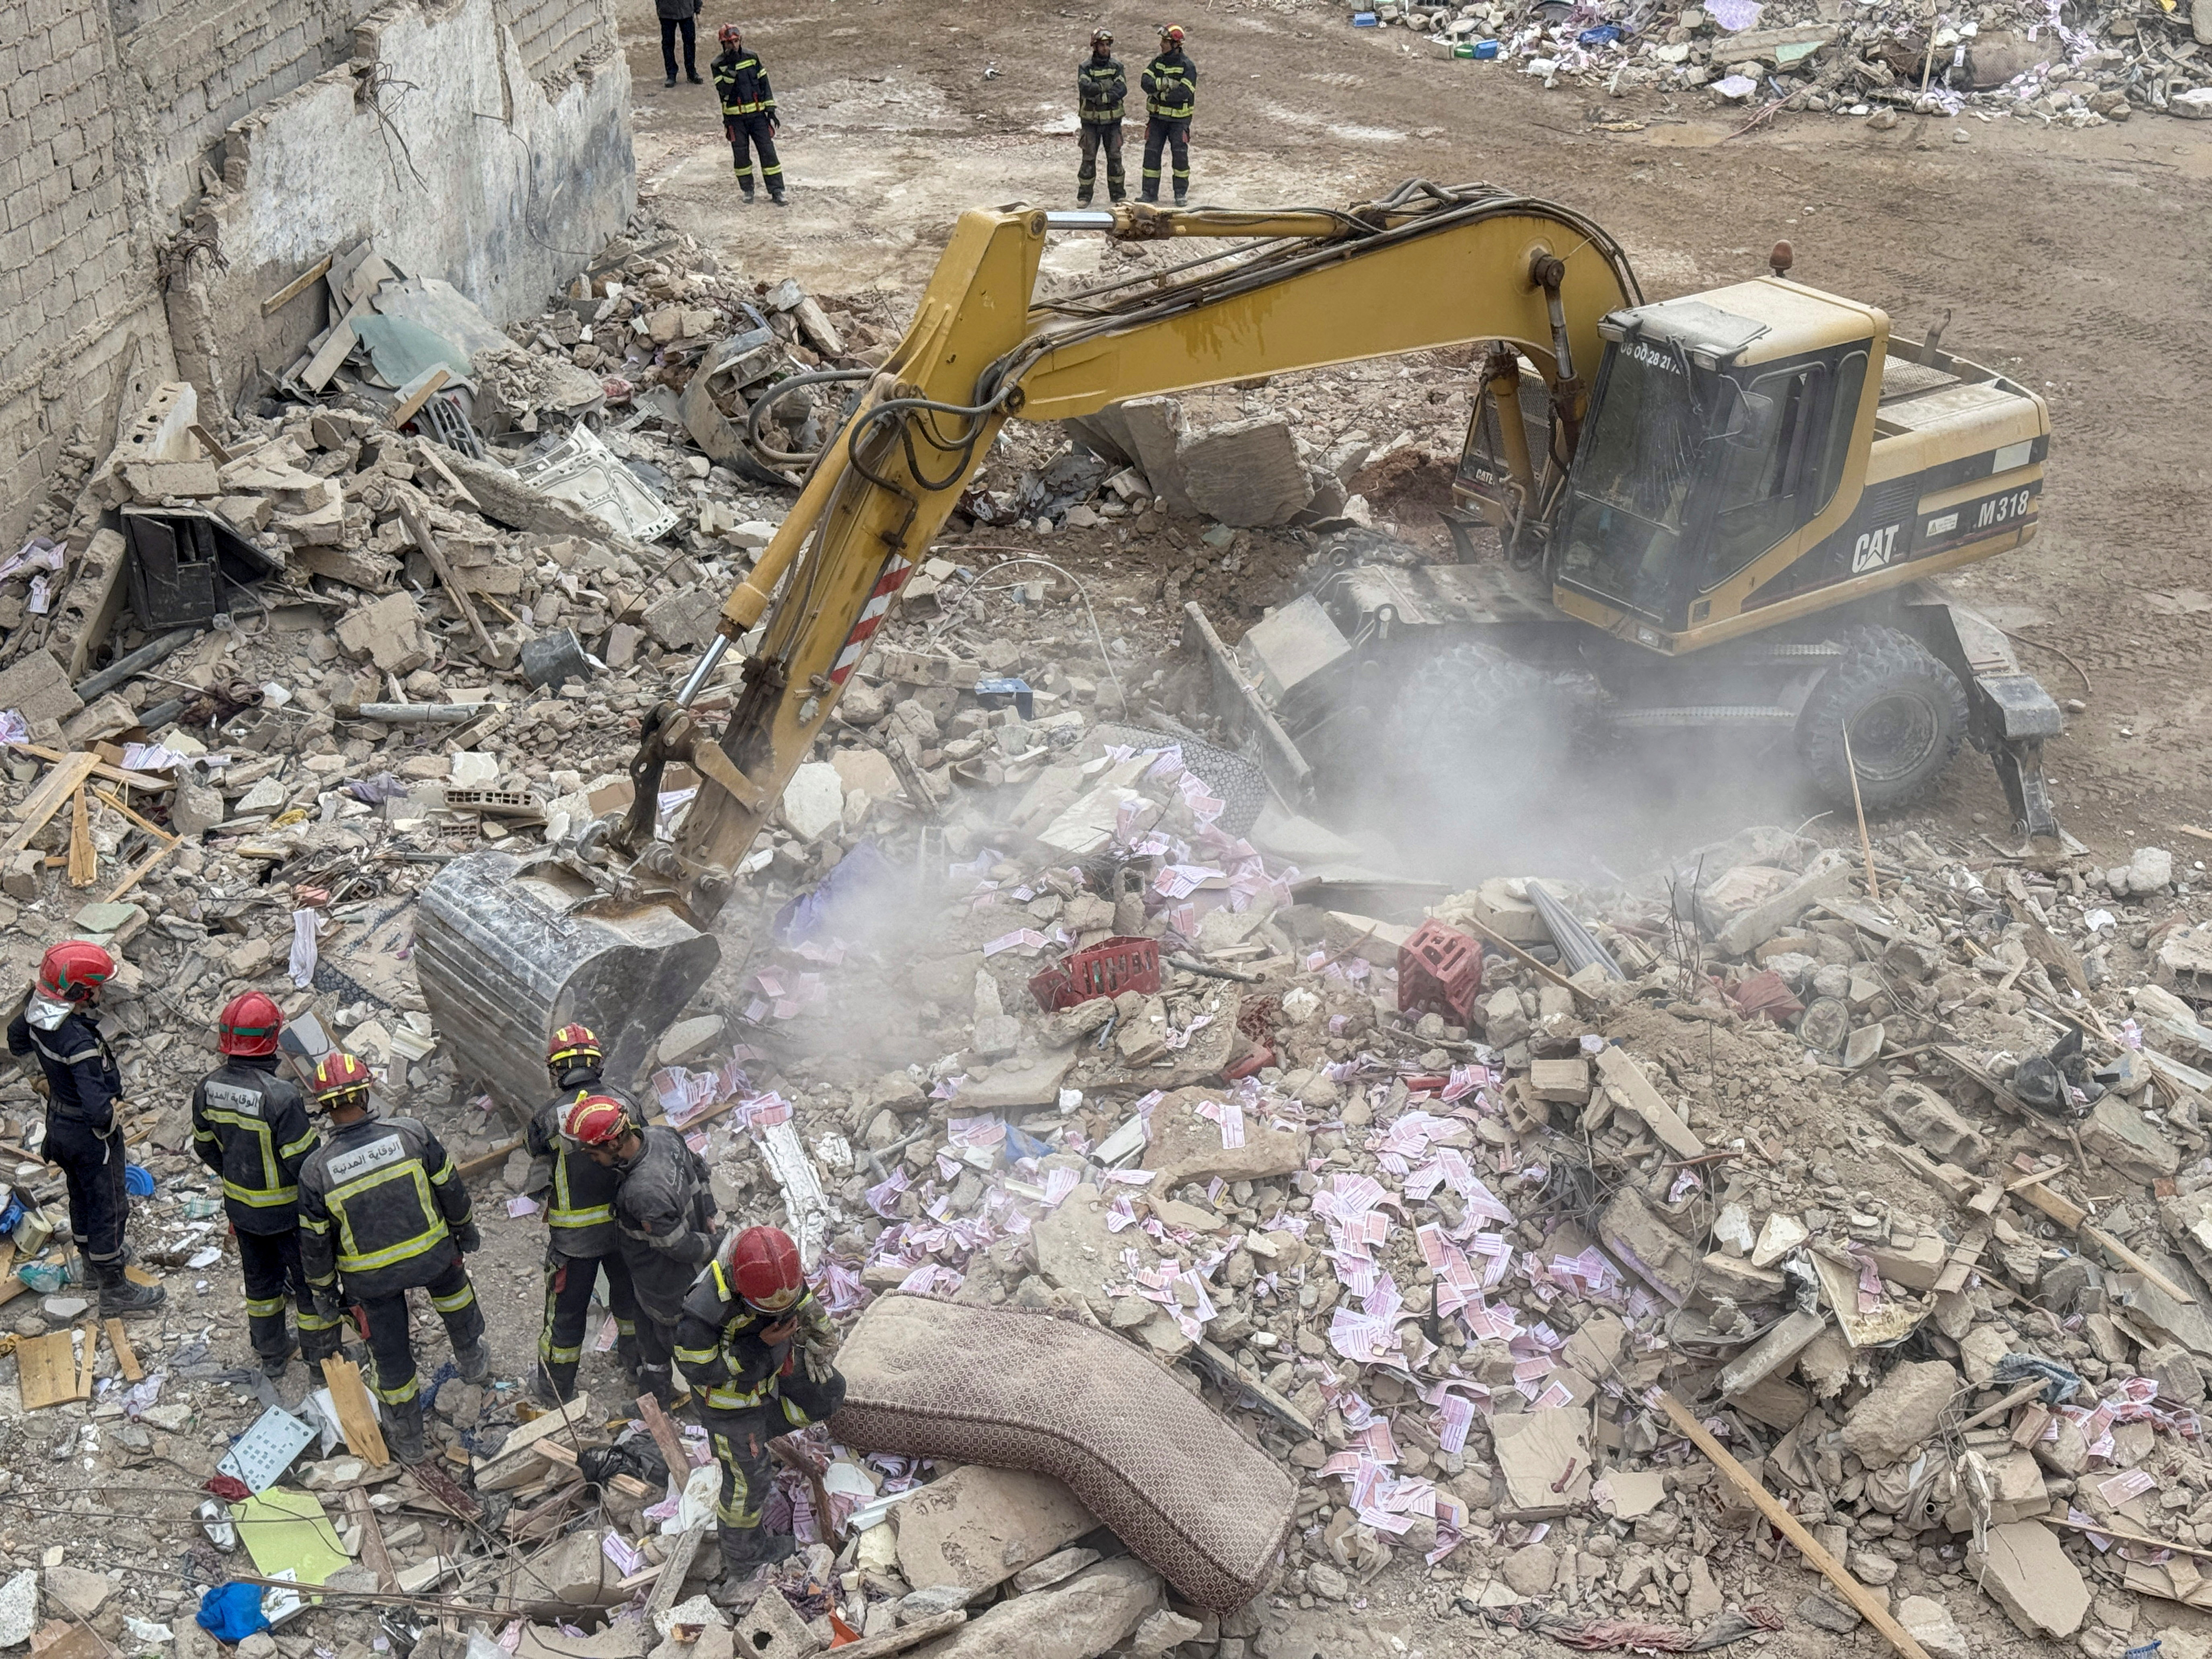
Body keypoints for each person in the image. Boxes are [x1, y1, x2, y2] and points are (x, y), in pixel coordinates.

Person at [296, 1053, 487, 1463]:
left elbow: (315, 1243)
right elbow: (450, 1189)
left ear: (325, 1107)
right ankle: (474, 1362)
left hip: (372, 1281)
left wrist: (324, 1292)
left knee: (391, 1355)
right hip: (433, 1255)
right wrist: (465, 1229)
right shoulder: (411, 1134)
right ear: (365, 1093)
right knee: (455, 1300)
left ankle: (409, 1439)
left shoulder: (317, 1171)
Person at [674, 1225, 844, 1602]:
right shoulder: (703, 1312)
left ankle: (754, 1440)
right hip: (729, 1404)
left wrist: (821, 1335)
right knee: (749, 1484)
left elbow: (801, 1301)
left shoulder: (777, 1278)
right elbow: (697, 1369)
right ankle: (744, 1558)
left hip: (769, 1375)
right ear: (740, 1288)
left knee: (828, 1392)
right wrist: (756, 1347)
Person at [6, 942, 162, 1316]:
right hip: (90, 1135)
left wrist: (38, 1079)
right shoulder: (78, 1040)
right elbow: (97, 1109)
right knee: (108, 1204)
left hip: (59, 1127)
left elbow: (15, 1038)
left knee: (80, 1194)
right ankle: (114, 1288)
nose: (100, 992)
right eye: (95, 987)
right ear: (78, 992)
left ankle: (91, 1266)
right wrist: (113, 1120)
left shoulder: (37, 1011)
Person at [191, 993, 341, 1377]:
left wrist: (237, 1177)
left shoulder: (207, 1088)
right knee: (308, 1287)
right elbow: (305, 1164)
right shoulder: (281, 1096)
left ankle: (272, 1353)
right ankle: (320, 1360)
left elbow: (203, 1145)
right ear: (271, 1040)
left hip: (242, 1211)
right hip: (289, 1213)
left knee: (260, 1283)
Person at [566, 1093, 717, 1407]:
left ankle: (699, 1403)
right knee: (649, 1338)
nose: (592, 1160)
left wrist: (720, 1245)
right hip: (654, 1282)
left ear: (611, 1144)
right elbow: (700, 1169)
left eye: (594, 1154)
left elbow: (679, 1246)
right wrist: (710, 1212)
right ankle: (653, 1395)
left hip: (666, 1283)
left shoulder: (642, 1191)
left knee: (672, 1343)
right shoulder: (661, 1135)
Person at [526, 1025, 643, 1405]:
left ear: (557, 1070)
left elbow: (535, 1149)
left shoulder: (546, 1117)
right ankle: (638, 1370)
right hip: (624, 1231)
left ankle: (555, 1389)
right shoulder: (626, 1102)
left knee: (566, 1315)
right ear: (597, 1063)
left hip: (573, 1242)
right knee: (630, 1304)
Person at [711, 26, 785, 205]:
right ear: (723, 44)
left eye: (736, 41)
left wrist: (771, 109)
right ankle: (748, 190)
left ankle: (777, 191)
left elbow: (764, 83)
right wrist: (732, 69)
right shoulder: (718, 65)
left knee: (768, 153)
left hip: (758, 117)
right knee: (741, 156)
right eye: (730, 43)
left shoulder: (752, 58)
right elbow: (723, 90)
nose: (734, 46)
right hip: (735, 120)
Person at [1140, 24, 1197, 206]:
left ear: (1175, 44)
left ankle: (1180, 194)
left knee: (1180, 157)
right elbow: (1145, 82)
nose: (1161, 45)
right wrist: (1168, 84)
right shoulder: (1158, 62)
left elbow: (1184, 92)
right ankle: (1149, 194)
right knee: (1151, 155)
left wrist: (1161, 93)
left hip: (1179, 121)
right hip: (1157, 120)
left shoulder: (1187, 66)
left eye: (1165, 41)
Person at [1075, 28, 1127, 207]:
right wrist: (1107, 85)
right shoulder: (1085, 67)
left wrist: (1103, 96)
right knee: (1088, 159)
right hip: (1090, 122)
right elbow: (1086, 88)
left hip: (1113, 123)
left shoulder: (1117, 67)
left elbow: (1121, 89)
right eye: (1102, 45)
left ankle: (1118, 195)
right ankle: (1084, 196)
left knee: (1115, 158)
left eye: (1108, 45)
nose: (1105, 49)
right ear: (1095, 47)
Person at [658, 0, 702, 87]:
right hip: (667, 12)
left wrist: (697, 5)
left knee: (690, 42)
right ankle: (671, 74)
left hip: (686, 10)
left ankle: (691, 71)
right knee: (668, 44)